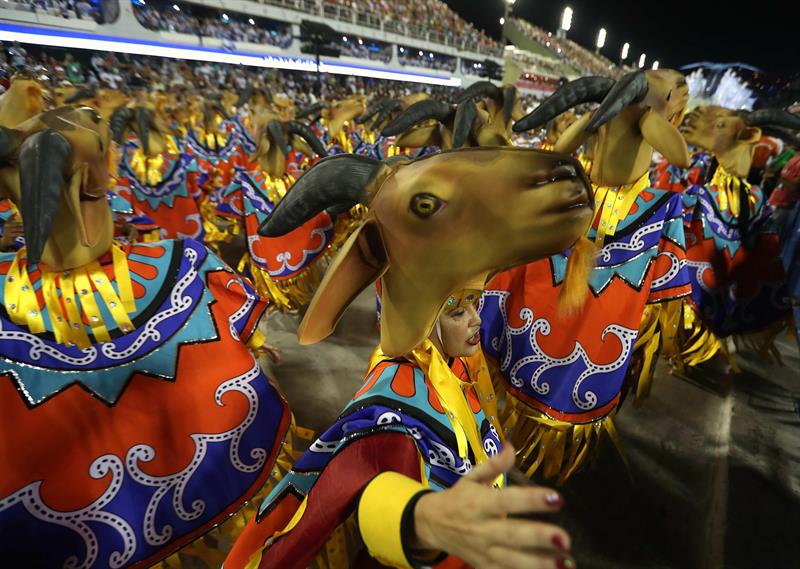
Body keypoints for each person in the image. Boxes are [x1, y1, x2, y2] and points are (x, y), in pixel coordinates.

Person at [224, 144, 594, 568]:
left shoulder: (449, 365)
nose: (477, 320)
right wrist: (414, 524)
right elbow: (366, 479)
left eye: (475, 302)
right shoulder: (395, 408)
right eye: (458, 310)